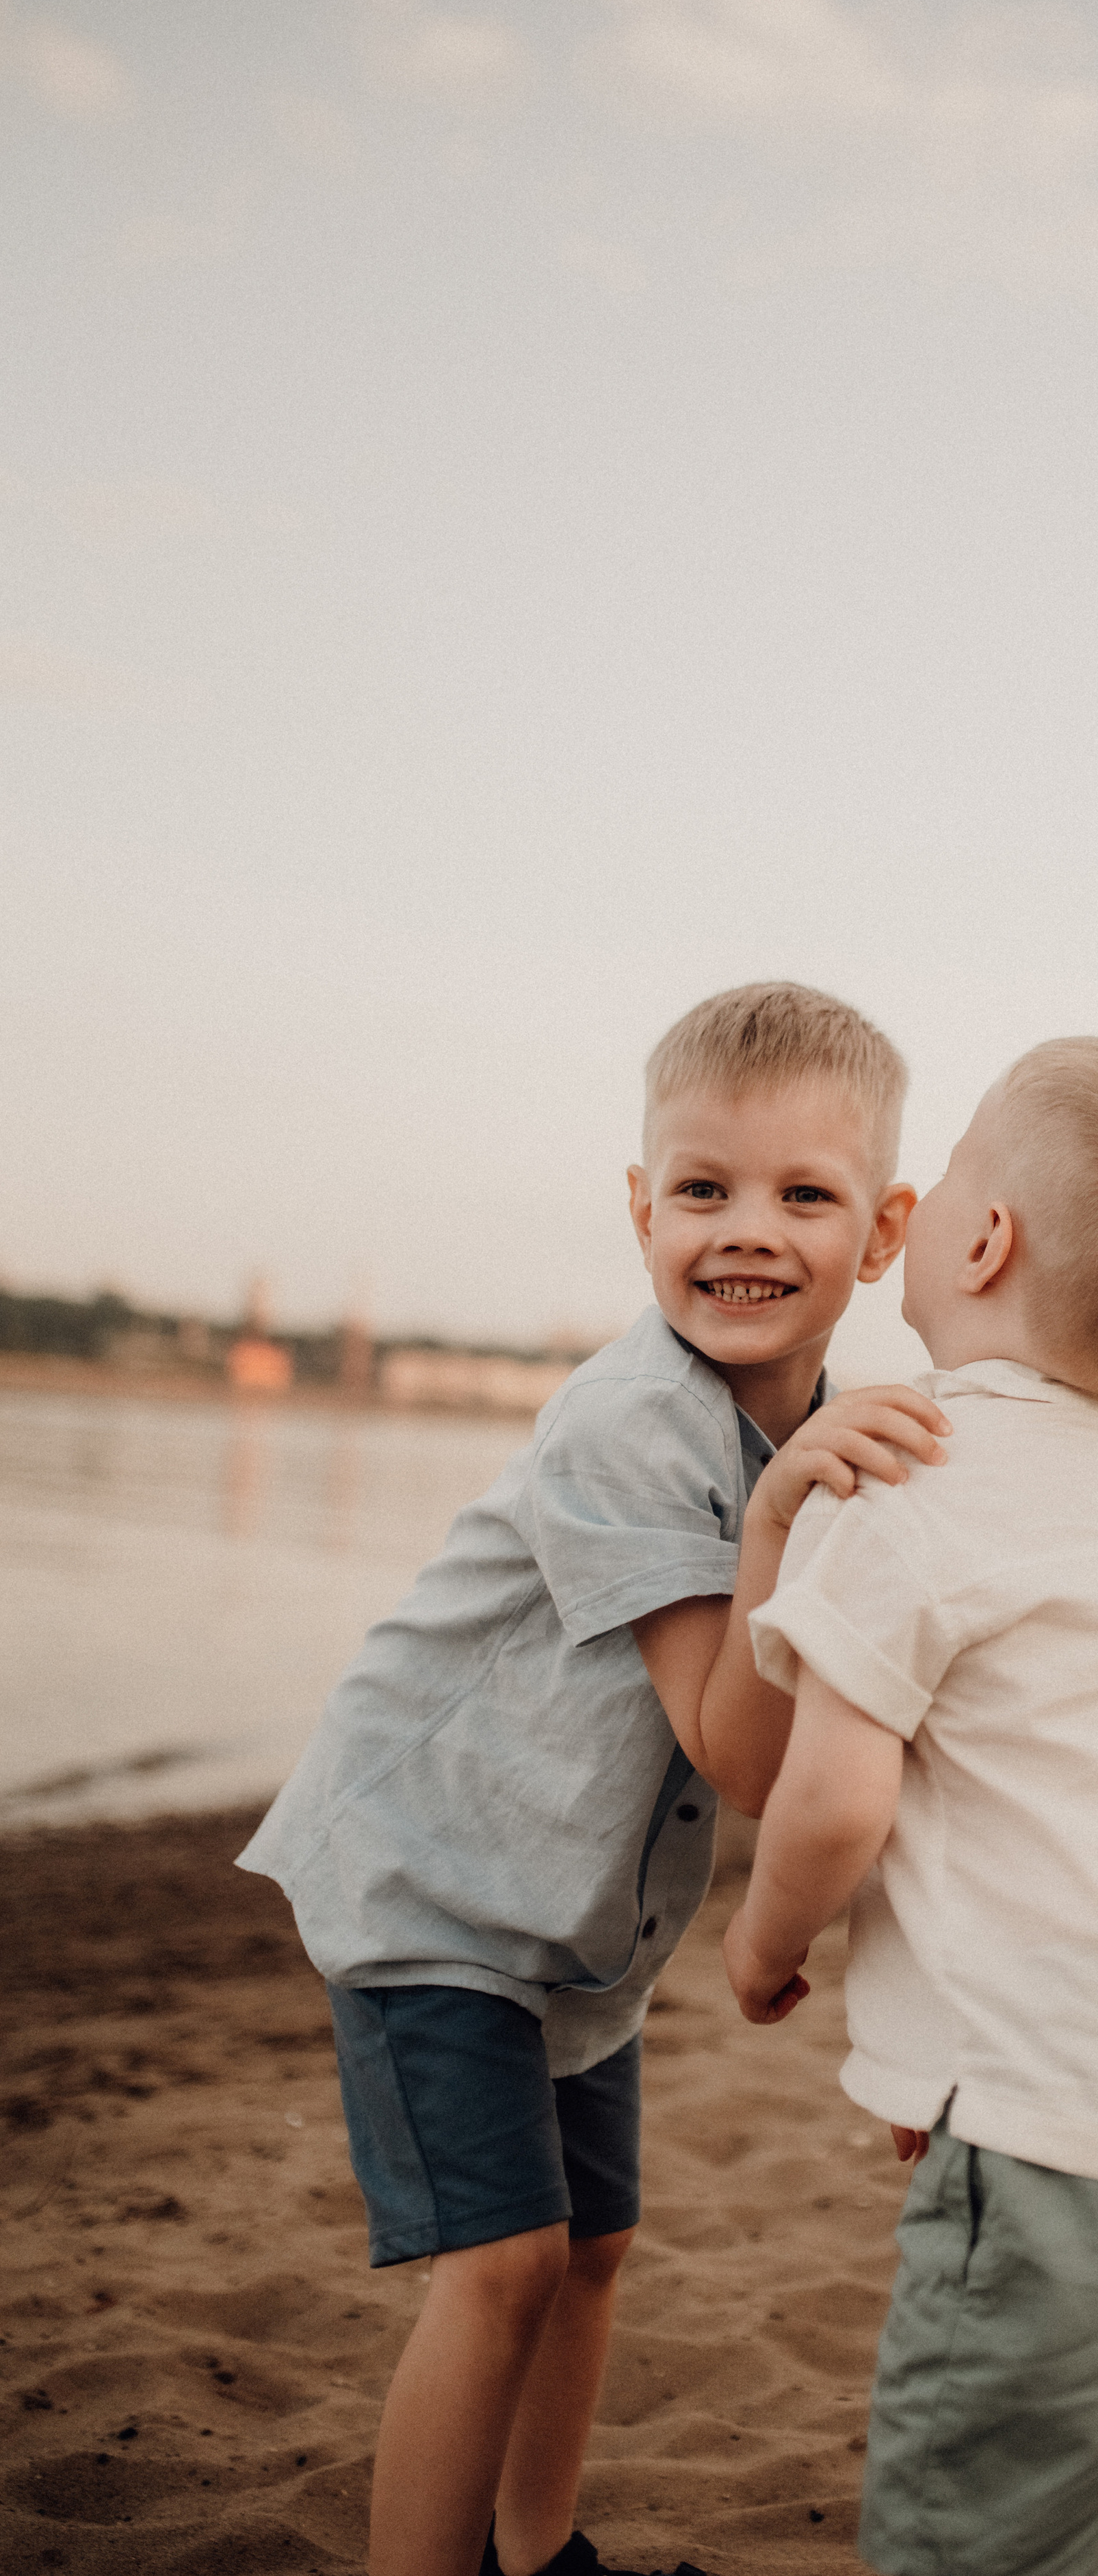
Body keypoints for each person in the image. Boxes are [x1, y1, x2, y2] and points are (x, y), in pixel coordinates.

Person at [238, 982, 952, 2576]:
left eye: (802, 1195)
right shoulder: (632, 1425)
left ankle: (536, 2551)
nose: (743, 1232)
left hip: (576, 1926)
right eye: (701, 1190)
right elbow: (735, 1745)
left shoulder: (814, 1429)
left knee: (597, 2247)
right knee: (501, 2264)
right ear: (640, 1212)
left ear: (886, 1230)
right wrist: (780, 1535)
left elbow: (791, 1738)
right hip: (437, 1883)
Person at [722, 1036, 1098, 2576]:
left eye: (958, 1157)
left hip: (1066, 2146)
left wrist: (762, 1946)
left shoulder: (912, 1471)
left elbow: (833, 1802)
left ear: (978, 1240)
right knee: (1081, 2507)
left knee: (966, 2542)